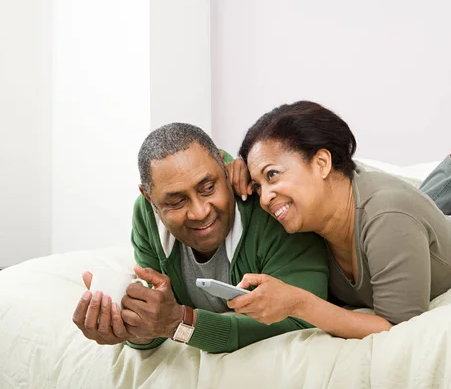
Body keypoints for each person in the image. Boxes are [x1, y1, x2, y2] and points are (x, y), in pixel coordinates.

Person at [226, 101, 451, 340]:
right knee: (437, 213)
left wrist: (300, 303)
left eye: (272, 176)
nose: (265, 197)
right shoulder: (316, 216)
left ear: (321, 164)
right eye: (257, 186)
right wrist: (234, 167)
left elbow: (398, 329)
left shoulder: (386, 216)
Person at [72, 122, 329, 353]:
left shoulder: (271, 208)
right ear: (150, 199)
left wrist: (180, 322)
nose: (199, 211)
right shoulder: (146, 215)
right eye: (175, 201)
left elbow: (302, 318)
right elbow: (158, 324)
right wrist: (132, 327)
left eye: (208, 188)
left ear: (224, 168)